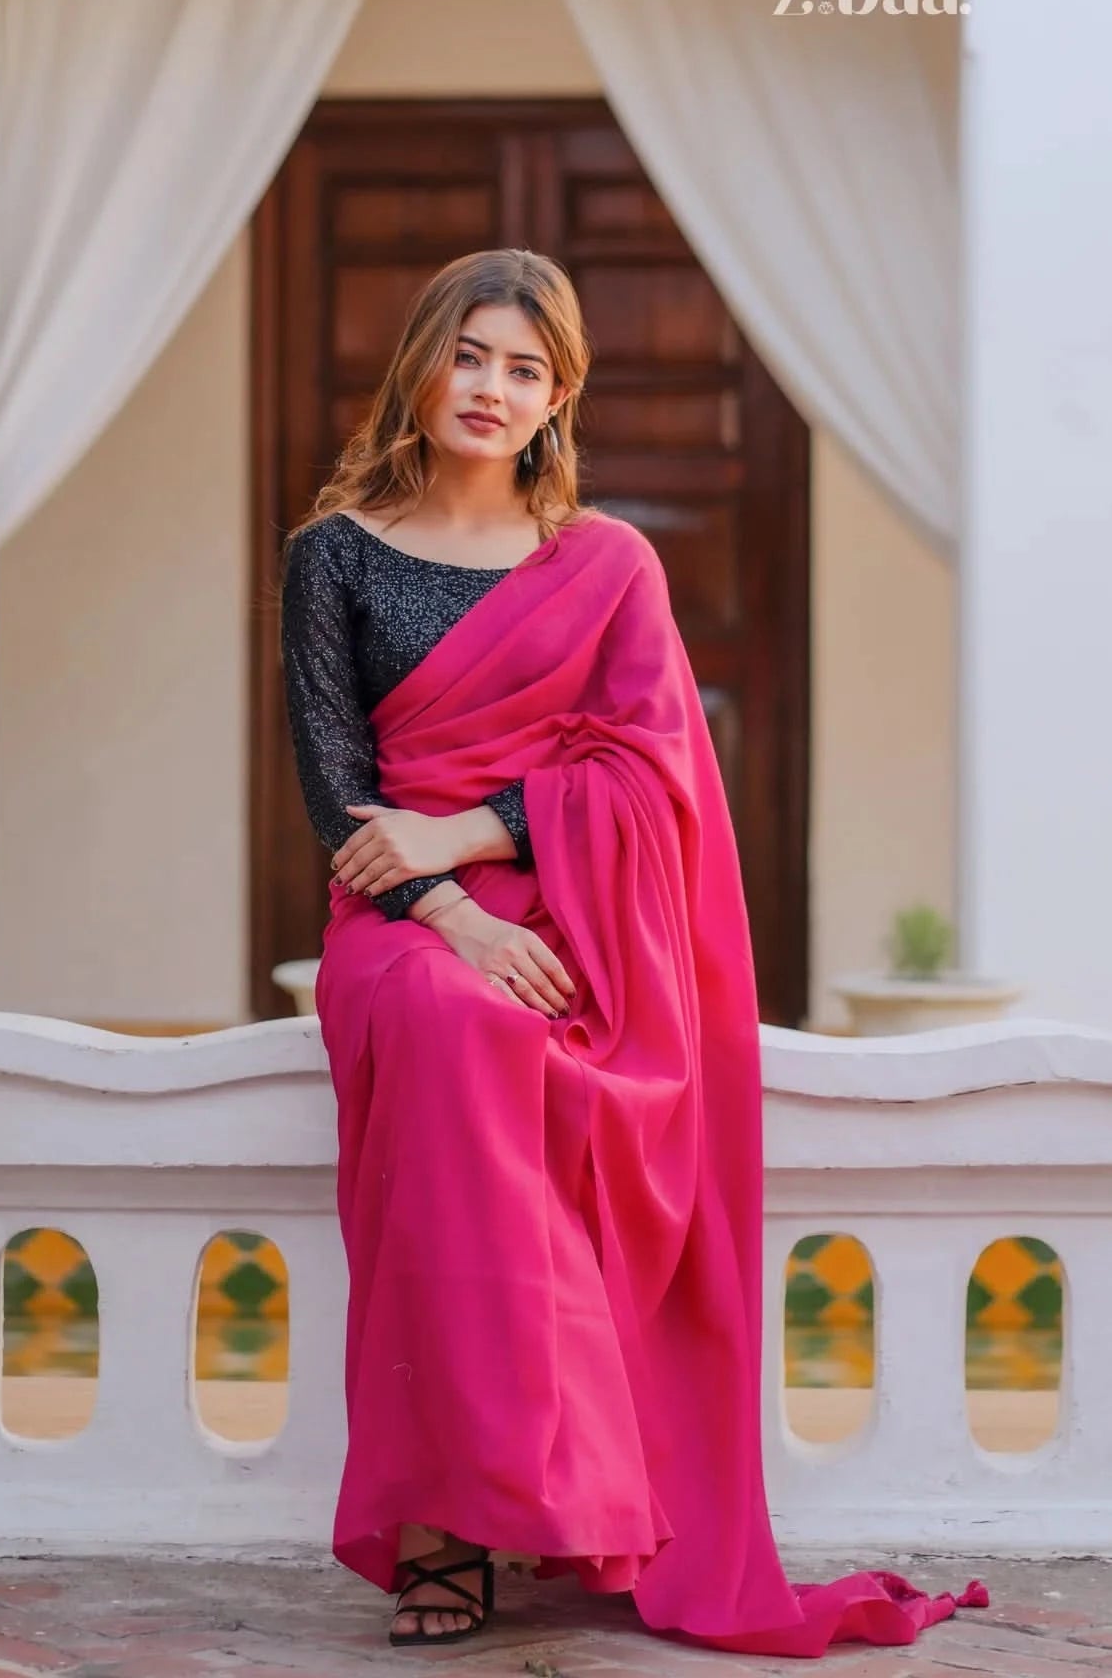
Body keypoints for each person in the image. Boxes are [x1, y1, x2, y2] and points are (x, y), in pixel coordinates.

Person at [277, 248, 988, 1653]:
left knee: (522, 1058)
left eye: (525, 369)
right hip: (406, 919)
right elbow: (335, 786)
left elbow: (657, 778)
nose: (491, 388)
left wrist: (474, 838)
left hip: (569, 909)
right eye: (470, 355)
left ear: (559, 399)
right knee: (451, 1025)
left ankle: (547, 1490)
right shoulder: (336, 555)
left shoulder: (603, 565)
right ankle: (445, 1524)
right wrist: (450, 912)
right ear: (422, 362)